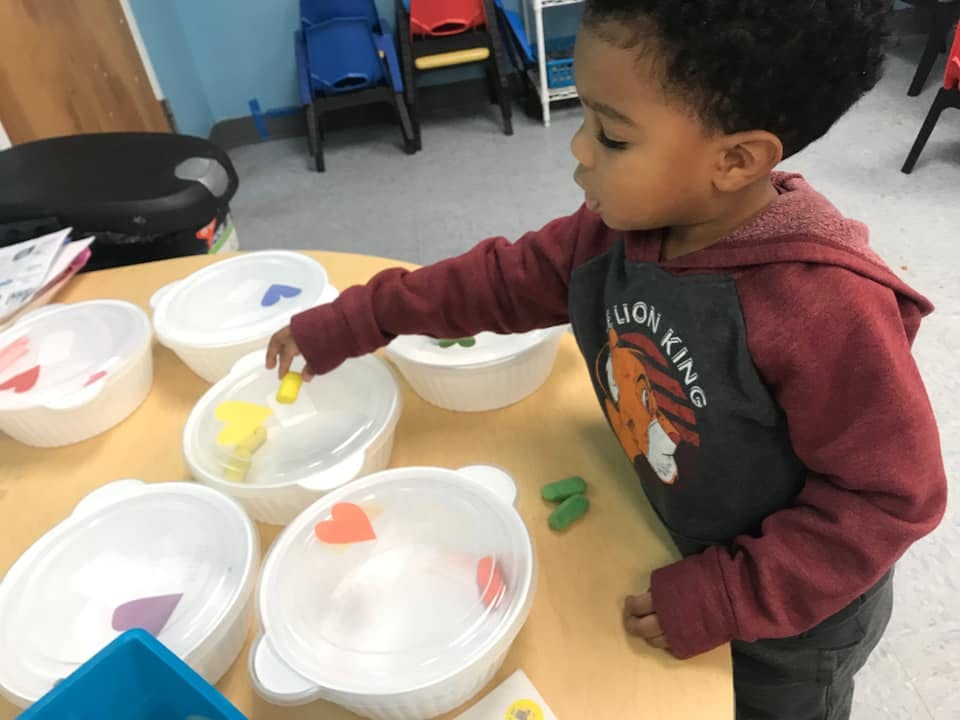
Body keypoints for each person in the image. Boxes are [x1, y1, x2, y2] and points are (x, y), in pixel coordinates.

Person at [265, 2, 947, 718]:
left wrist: (728, 593)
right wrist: (362, 318)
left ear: (736, 161)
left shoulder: (825, 308)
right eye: (585, 119)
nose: (579, 151)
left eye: (612, 135)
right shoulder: (616, 233)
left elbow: (889, 497)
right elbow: (499, 281)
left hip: (790, 623)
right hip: (674, 531)